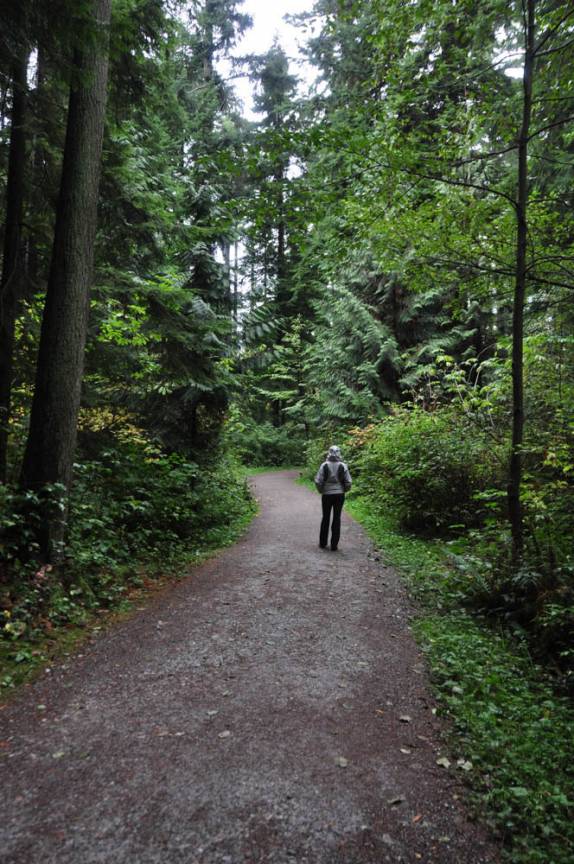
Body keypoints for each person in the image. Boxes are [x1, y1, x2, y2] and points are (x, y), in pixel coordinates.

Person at [314, 445, 352, 551]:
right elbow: (348, 482)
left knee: (325, 517)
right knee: (337, 518)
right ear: (339, 453)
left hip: (326, 494)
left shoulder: (324, 465)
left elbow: (318, 481)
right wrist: (344, 490)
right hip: (339, 495)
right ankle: (334, 545)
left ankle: (323, 543)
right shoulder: (343, 465)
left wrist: (321, 490)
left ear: (329, 453)